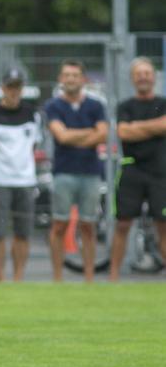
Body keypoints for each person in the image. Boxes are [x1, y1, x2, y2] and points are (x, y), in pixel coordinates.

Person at [44, 60, 107, 282]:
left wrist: (73, 135)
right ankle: (58, 277)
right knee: (59, 224)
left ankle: (89, 277)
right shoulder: (53, 106)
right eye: (66, 75)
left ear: (83, 79)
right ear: (61, 79)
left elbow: (102, 135)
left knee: (88, 225)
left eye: (75, 75)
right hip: (64, 172)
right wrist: (88, 133)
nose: (71, 79)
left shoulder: (96, 105)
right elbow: (61, 136)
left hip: (90, 172)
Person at [110, 57, 166, 281]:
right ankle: (113, 276)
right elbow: (123, 133)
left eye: (147, 73)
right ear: (132, 78)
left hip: (160, 172)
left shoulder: (163, 102)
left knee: (162, 225)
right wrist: (156, 127)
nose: (143, 77)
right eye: (139, 73)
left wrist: (137, 127)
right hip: (132, 170)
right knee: (123, 224)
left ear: (154, 77)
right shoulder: (125, 106)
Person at [0, 69, 41, 282]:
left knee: (23, 232)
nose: (14, 91)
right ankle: (0, 278)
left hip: (26, 180)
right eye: (10, 87)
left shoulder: (32, 114)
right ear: (3, 88)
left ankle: (18, 278)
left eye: (17, 87)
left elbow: (34, 145)